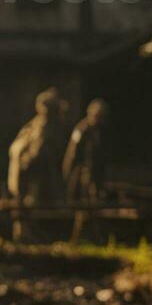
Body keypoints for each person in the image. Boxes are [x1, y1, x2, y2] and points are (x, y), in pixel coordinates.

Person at [6, 87, 69, 240]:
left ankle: (32, 235)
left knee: (34, 204)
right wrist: (28, 163)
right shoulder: (40, 125)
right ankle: (29, 235)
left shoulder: (45, 125)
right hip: (34, 173)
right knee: (32, 204)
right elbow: (35, 150)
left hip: (36, 171)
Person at [64, 99, 110, 241]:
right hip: (83, 174)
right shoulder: (82, 129)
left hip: (95, 174)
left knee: (95, 204)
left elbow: (101, 156)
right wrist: (69, 173)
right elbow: (72, 154)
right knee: (83, 205)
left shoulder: (100, 130)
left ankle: (93, 237)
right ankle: (78, 237)